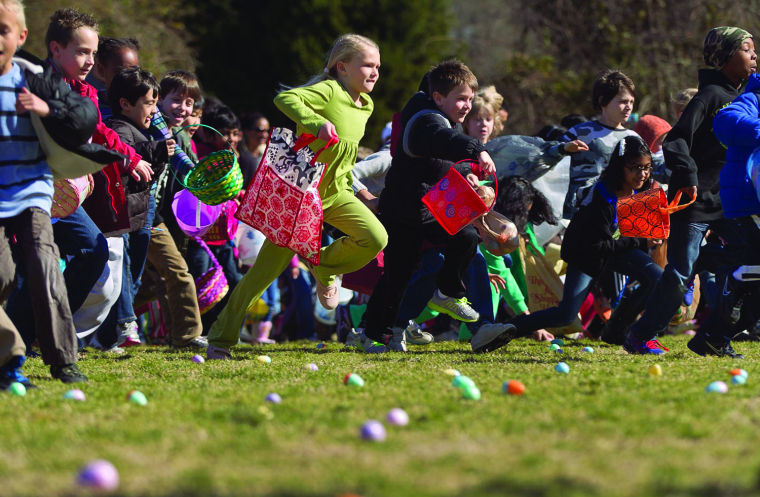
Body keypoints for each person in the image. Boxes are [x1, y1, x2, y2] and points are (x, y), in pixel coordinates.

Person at [206, 33, 387, 359]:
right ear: (343, 67)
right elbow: (285, 100)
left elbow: (344, 162)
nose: (374, 72)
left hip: (336, 195)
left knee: (375, 237)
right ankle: (221, 338)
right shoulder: (330, 89)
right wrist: (314, 121)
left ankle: (323, 266)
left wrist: (363, 193)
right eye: (367, 65)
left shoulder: (367, 105)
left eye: (378, 66)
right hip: (300, 198)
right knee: (262, 275)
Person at [0, 0, 117, 383]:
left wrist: (48, 109)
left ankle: (64, 361)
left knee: (46, 267)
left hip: (32, 192)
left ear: (21, 37)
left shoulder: (32, 76)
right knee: (4, 277)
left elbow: (84, 116)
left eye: (4, 30)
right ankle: (10, 353)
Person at [361, 59, 514, 354]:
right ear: (438, 97)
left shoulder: (439, 116)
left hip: (427, 211)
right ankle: (373, 335)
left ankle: (447, 292)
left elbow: (437, 160)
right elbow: (442, 140)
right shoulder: (427, 121)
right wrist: (477, 150)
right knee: (397, 276)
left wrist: (463, 173)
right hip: (403, 213)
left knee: (466, 238)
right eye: (461, 99)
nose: (467, 106)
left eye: (470, 99)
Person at [627, 26, 756, 358]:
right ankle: (640, 334)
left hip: (726, 202)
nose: (754, 55)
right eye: (746, 49)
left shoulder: (743, 99)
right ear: (726, 57)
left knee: (743, 265)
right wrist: (687, 176)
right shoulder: (711, 96)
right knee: (681, 273)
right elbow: (675, 139)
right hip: (697, 202)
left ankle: (714, 338)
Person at [505, 136, 664, 353]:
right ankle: (508, 328)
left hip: (617, 249)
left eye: (646, 168)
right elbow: (600, 245)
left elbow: (633, 240)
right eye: (635, 168)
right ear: (620, 167)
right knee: (565, 315)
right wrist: (641, 237)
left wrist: (649, 236)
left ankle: (618, 330)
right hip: (587, 254)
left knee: (656, 277)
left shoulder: (642, 189)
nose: (642, 174)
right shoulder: (602, 195)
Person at [98, 66, 173, 348]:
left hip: (144, 210)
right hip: (124, 212)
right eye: (149, 103)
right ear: (125, 104)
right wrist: (156, 150)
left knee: (133, 275)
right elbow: (122, 158)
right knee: (125, 268)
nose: (154, 110)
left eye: (155, 102)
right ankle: (126, 326)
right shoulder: (119, 128)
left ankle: (108, 333)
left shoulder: (140, 129)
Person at [134, 69, 205, 349]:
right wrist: (197, 175)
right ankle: (186, 336)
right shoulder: (157, 126)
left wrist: (200, 176)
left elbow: (179, 162)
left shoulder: (172, 130)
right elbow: (177, 160)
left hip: (152, 214)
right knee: (175, 272)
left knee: (153, 281)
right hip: (137, 212)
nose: (184, 108)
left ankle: (184, 335)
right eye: (177, 100)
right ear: (159, 99)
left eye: (189, 103)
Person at [562, 70, 640, 220]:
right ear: (603, 101)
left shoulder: (634, 138)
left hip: (617, 216)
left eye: (631, 102)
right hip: (578, 213)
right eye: (623, 101)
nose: (629, 107)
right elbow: (552, 159)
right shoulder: (580, 132)